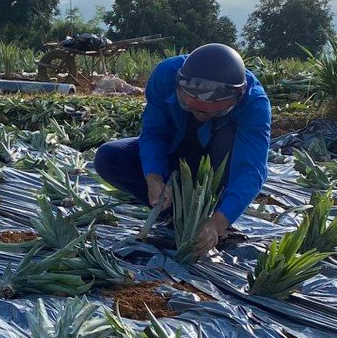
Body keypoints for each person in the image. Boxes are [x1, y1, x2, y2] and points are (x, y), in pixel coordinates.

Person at [94, 43, 271, 257]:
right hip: (176, 152)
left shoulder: (255, 103)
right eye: (191, 106)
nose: (200, 115)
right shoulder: (165, 75)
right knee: (110, 157)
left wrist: (218, 222)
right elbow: (154, 132)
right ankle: (173, 212)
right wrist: (154, 178)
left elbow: (250, 170)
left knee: (231, 158)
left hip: (220, 164)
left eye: (212, 111)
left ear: (236, 97)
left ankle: (211, 218)